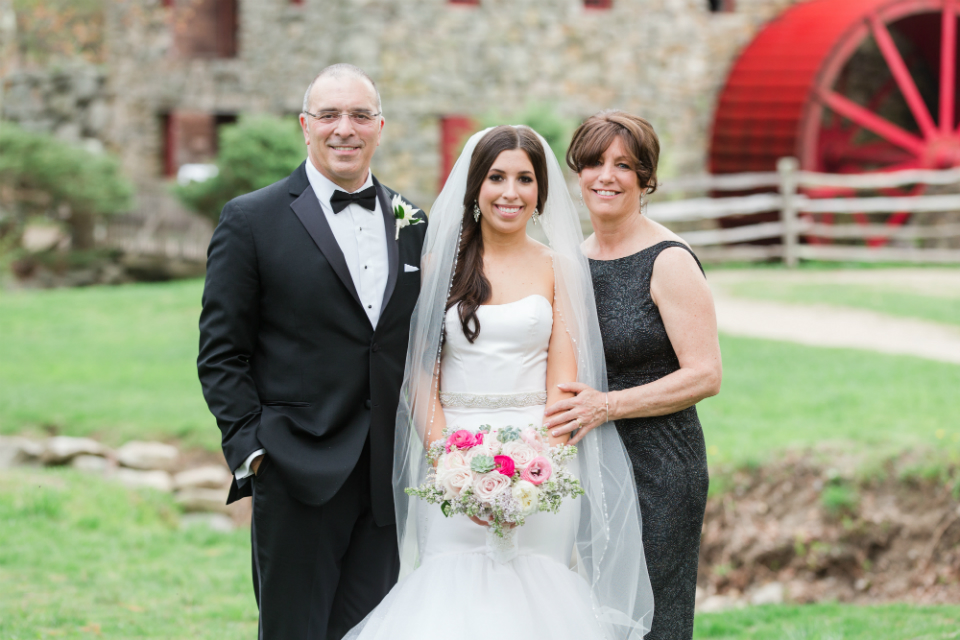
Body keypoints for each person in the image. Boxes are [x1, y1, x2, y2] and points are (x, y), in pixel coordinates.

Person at [343, 125, 654, 640]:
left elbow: (564, 382)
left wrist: (538, 472)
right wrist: (451, 463)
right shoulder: (439, 266)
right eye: (496, 177)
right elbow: (418, 373)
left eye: (525, 179)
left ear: (540, 193)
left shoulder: (559, 268)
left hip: (541, 461)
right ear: (475, 188)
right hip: (451, 461)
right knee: (451, 600)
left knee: (539, 602)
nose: (510, 192)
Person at [197, 64, 428, 639]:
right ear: (305, 125)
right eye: (328, 115)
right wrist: (253, 451)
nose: (343, 129)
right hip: (295, 470)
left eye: (359, 115)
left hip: (387, 479)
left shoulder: (414, 221)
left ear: (380, 127)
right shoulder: (251, 219)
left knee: (372, 630)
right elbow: (221, 352)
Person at [543, 110, 722, 640]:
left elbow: (706, 374)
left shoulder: (668, 260)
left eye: (624, 165)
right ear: (577, 173)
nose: (606, 176)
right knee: (597, 613)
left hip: (660, 467)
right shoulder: (571, 260)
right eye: (595, 162)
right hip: (591, 463)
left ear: (645, 180)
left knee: (653, 616)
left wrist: (607, 405)